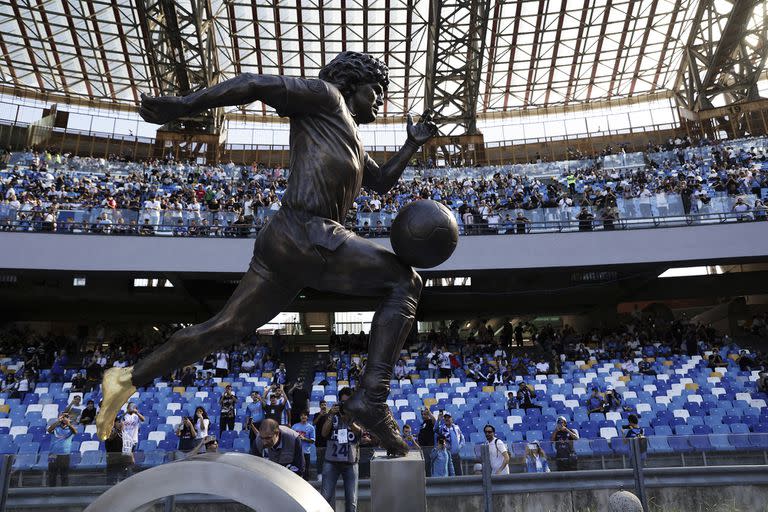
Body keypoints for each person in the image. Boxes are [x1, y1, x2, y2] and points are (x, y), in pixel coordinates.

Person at [97, 52, 438, 458]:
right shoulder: (326, 97)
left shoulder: (351, 137)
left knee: (224, 327)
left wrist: (412, 145)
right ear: (351, 85)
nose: (380, 101)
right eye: (375, 91)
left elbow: (380, 182)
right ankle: (373, 400)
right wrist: (184, 105)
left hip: (287, 242)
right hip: (307, 231)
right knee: (406, 280)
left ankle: (127, 378)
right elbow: (256, 83)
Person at [321, 388, 362, 512]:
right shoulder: (332, 414)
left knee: (351, 500)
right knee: (325, 497)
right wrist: (331, 415)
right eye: (342, 402)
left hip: (351, 462)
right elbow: (324, 433)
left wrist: (349, 422)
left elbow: (360, 433)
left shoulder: (357, 414)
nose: (344, 405)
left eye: (347, 402)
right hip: (331, 461)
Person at [47, 412, 77, 486]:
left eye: (66, 417)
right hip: (52, 454)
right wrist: (58, 421)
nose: (64, 418)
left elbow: (75, 432)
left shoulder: (70, 429)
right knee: (51, 474)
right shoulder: (55, 428)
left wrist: (68, 423)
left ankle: (64, 492)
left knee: (64, 474)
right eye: (63, 417)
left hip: (65, 454)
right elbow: (49, 430)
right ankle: (51, 492)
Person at [105, 415, 133, 484]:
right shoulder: (110, 432)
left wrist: (132, 457)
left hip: (124, 460)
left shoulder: (124, 434)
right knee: (112, 481)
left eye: (120, 422)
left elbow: (129, 447)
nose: (120, 423)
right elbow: (110, 437)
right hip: (113, 460)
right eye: (117, 422)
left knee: (126, 481)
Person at [435, 411, 465, 475]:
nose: (447, 419)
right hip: (447, 454)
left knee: (459, 473)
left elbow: (462, 439)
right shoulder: (442, 428)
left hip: (456, 454)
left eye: (448, 417)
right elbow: (435, 429)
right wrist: (438, 420)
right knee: (449, 473)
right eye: (445, 417)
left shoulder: (456, 427)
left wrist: (459, 446)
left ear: (452, 419)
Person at [292, 411, 316, 480]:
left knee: (306, 471)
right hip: (296, 452)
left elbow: (312, 441)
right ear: (300, 417)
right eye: (301, 415)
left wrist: (304, 438)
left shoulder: (311, 427)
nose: (303, 417)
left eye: (305, 415)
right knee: (296, 470)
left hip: (306, 452)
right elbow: (290, 438)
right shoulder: (294, 426)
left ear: (307, 417)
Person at [417, 408, 435, 476]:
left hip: (428, 447)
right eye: (422, 414)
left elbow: (434, 421)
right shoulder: (423, 423)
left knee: (428, 465)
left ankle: (429, 481)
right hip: (423, 447)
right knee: (424, 465)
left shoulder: (430, 421)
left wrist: (429, 413)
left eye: (425, 414)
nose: (423, 416)